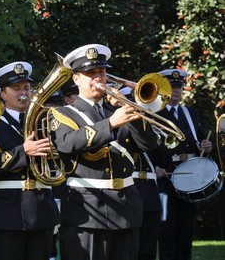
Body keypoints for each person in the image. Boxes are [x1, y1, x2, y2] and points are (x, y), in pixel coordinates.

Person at [48, 44, 158, 260]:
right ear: (76, 78)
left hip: (126, 208)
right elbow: (67, 143)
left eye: (101, 72)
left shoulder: (119, 109)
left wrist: (132, 111)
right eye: (90, 73)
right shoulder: (62, 113)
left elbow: (149, 145)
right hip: (87, 210)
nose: (98, 77)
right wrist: (110, 123)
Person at [0, 61, 60, 260]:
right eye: (16, 88)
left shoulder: (44, 121)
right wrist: (23, 151)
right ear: (2, 94)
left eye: (26, 87)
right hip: (7, 213)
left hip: (42, 208)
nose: (23, 92)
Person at [154, 69, 212, 260]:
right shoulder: (155, 113)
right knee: (167, 229)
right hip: (166, 177)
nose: (177, 91)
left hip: (190, 179)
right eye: (172, 87)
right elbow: (147, 146)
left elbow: (200, 139)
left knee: (186, 229)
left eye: (179, 87)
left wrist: (207, 145)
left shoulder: (190, 113)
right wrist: (154, 166)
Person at [120, 86, 162, 260]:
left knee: (148, 249)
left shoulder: (148, 127)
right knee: (128, 250)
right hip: (130, 188)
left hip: (150, 193)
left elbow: (159, 153)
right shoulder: (120, 126)